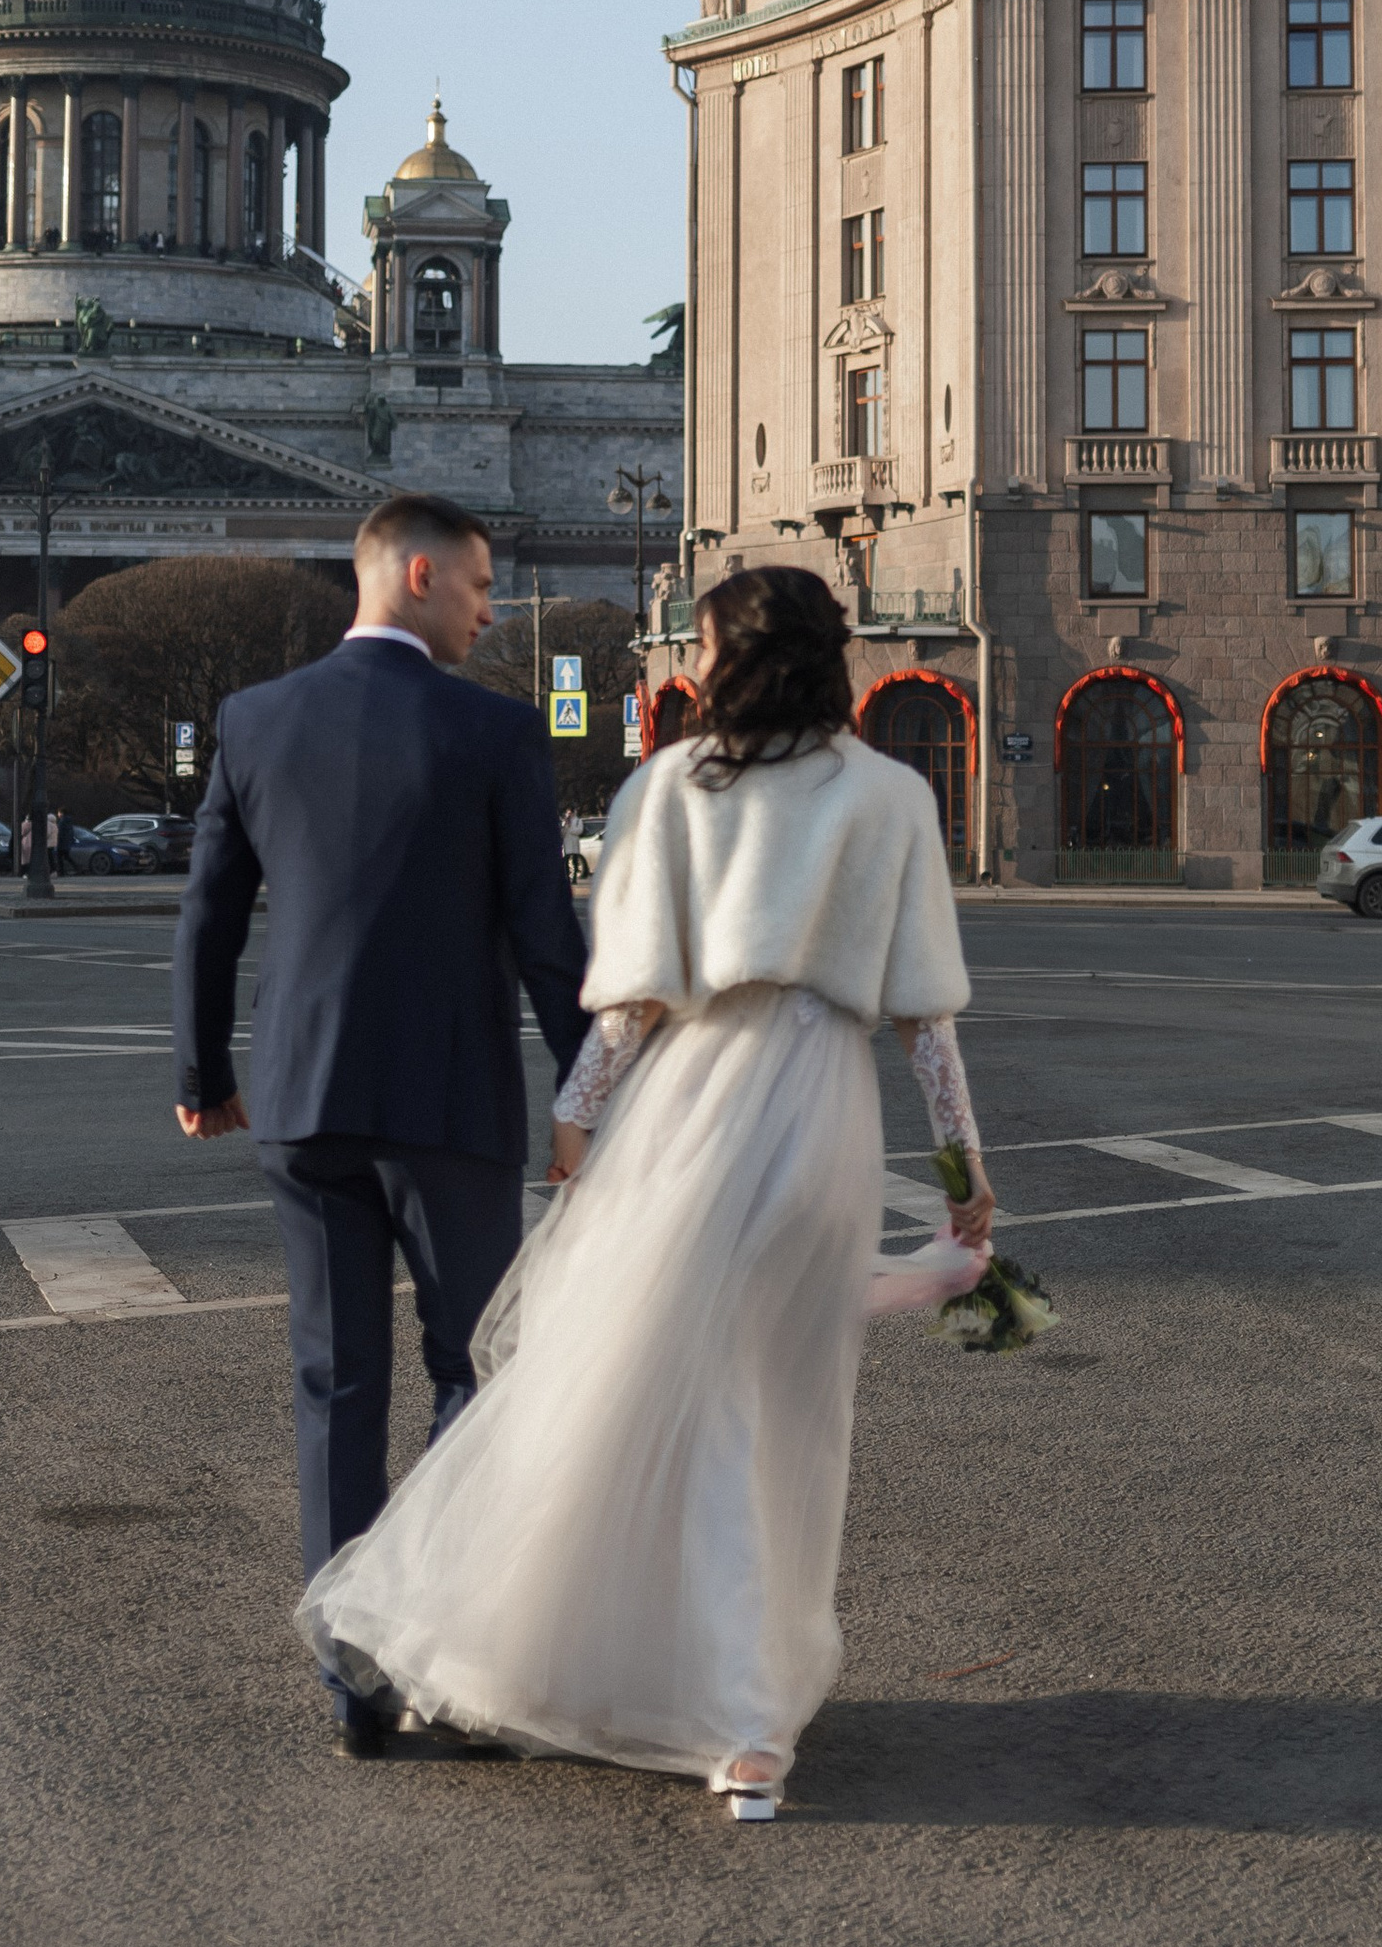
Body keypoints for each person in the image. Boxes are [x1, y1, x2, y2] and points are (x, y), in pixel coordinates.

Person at [298, 564, 994, 1821]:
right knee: (787, 1417)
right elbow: (924, 1018)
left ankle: (701, 1704)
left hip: (691, 1106)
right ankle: (744, 1710)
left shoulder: (667, 786)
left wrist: (574, 1128)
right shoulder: (891, 795)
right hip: (823, 1113)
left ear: (730, 659)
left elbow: (624, 1004)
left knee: (672, 1399)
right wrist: (961, 1172)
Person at [174, 491, 590, 1757]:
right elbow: (541, 935)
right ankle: (454, 1663)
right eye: (474, 588)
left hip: (300, 1100)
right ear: (415, 574)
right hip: (451, 1105)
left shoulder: (255, 719)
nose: (485, 611)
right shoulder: (495, 732)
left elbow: (207, 914)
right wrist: (591, 1094)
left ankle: (350, 1680)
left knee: (334, 1383)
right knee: (474, 1372)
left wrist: (203, 1071)